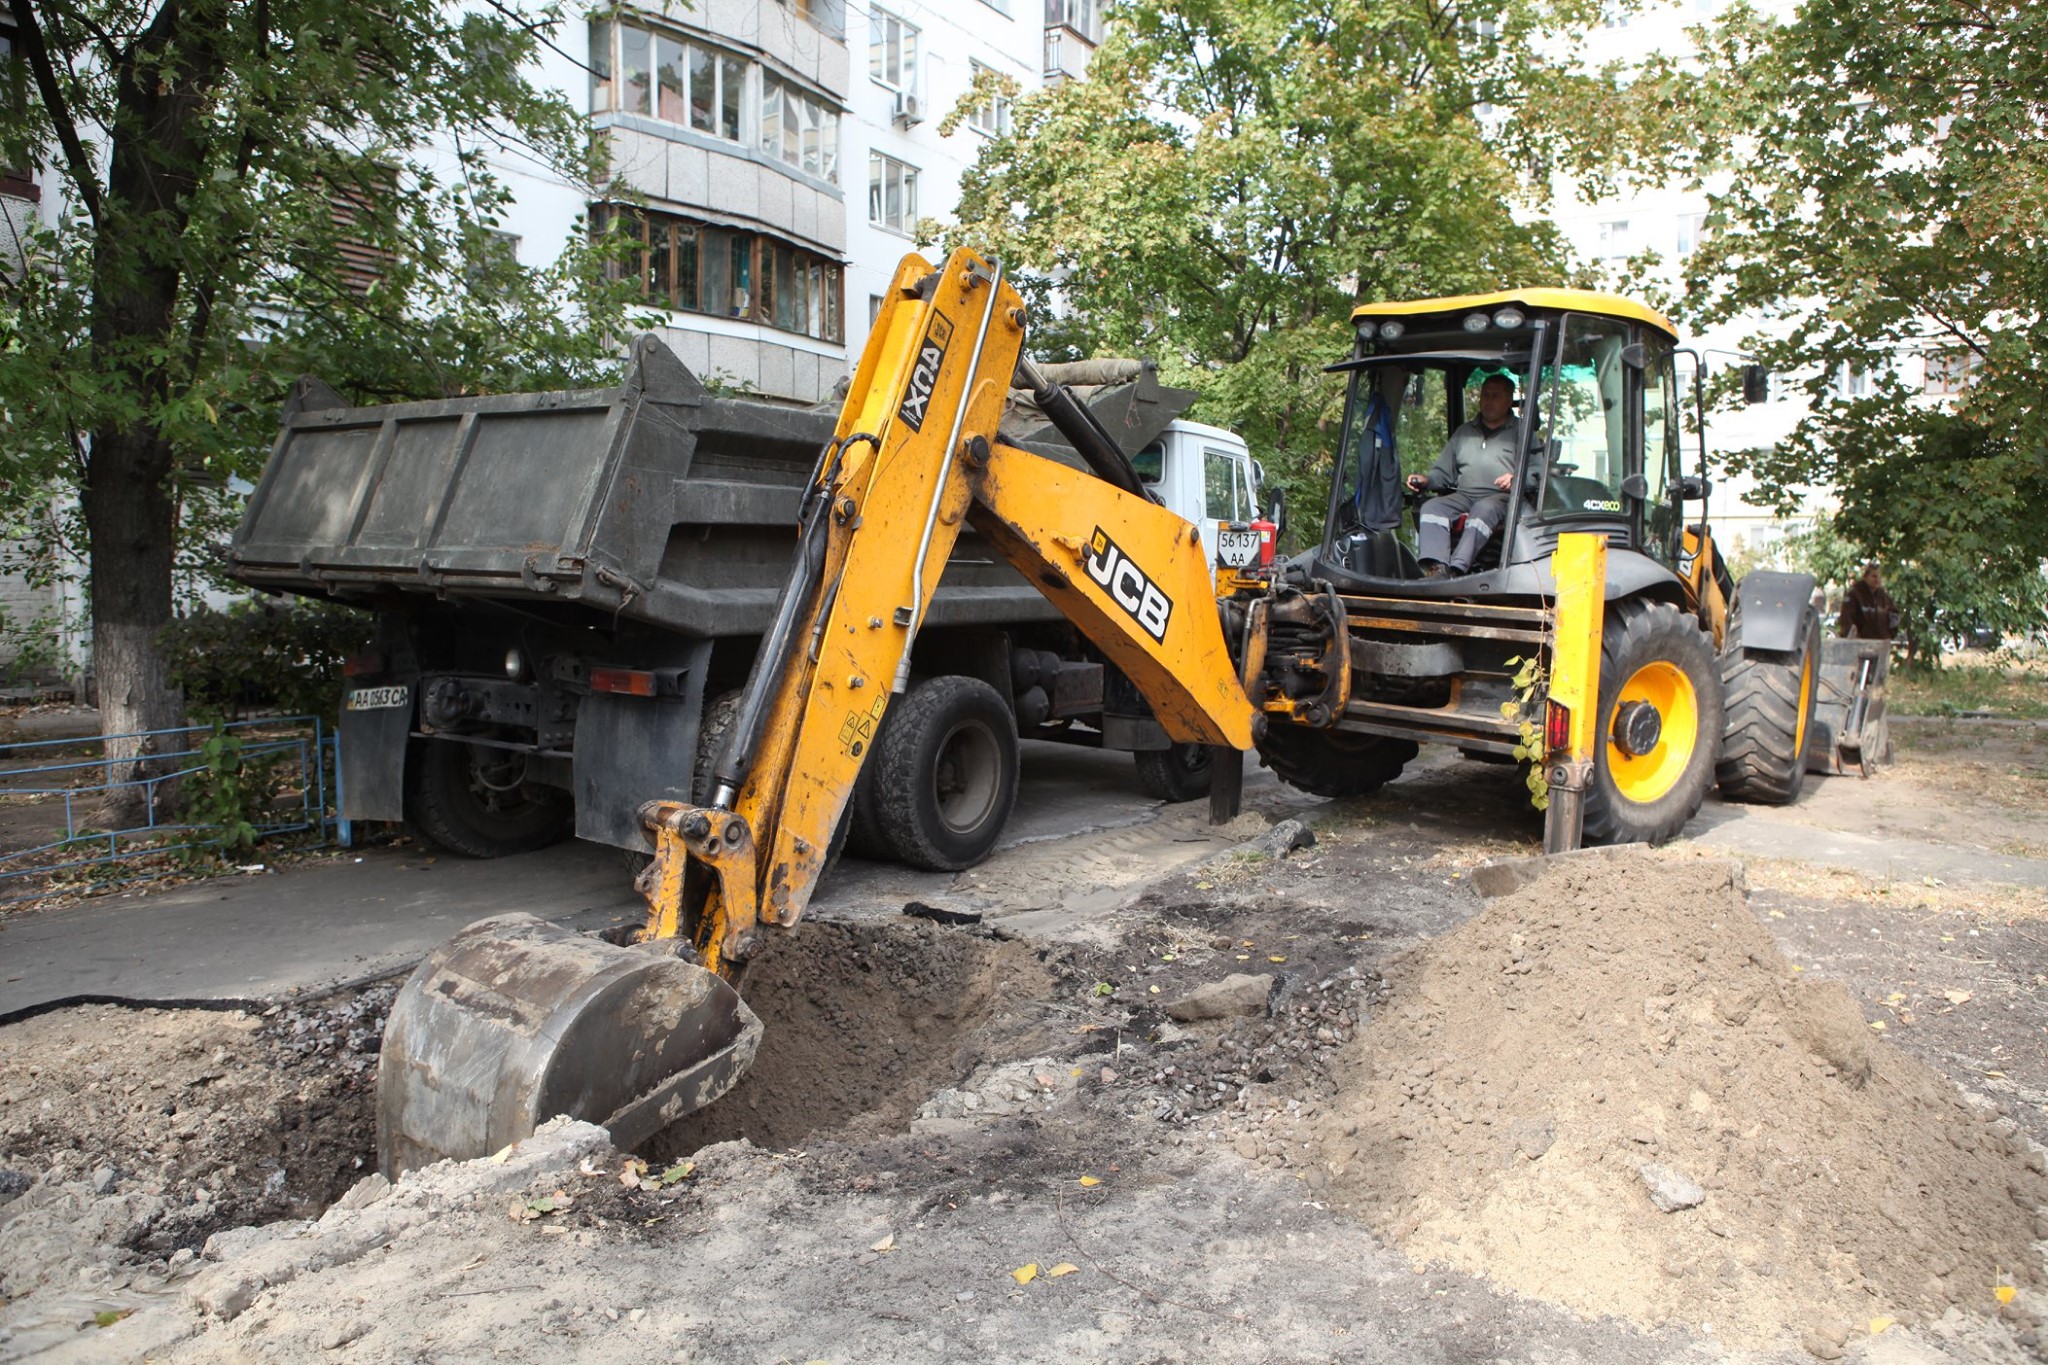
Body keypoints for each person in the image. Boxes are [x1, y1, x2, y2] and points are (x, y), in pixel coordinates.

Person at [1406, 373, 1519, 577]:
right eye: (1485, 395)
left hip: (1503, 498)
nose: (1488, 401)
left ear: (1509, 400)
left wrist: (1516, 477)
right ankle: (1437, 568)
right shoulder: (1464, 432)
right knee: (1432, 507)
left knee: (1483, 509)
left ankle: (1457, 568)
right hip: (1465, 495)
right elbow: (1444, 472)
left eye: (1495, 396)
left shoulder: (1521, 431)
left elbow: (1536, 472)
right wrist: (1427, 480)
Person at [1837, 562, 1899, 640]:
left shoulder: (1884, 596)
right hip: (1861, 643)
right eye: (1874, 576)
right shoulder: (1855, 595)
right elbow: (1846, 618)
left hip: (1880, 644)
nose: (1877, 580)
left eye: (1880, 577)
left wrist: (1891, 634)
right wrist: (1853, 637)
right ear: (1865, 577)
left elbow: (1894, 614)